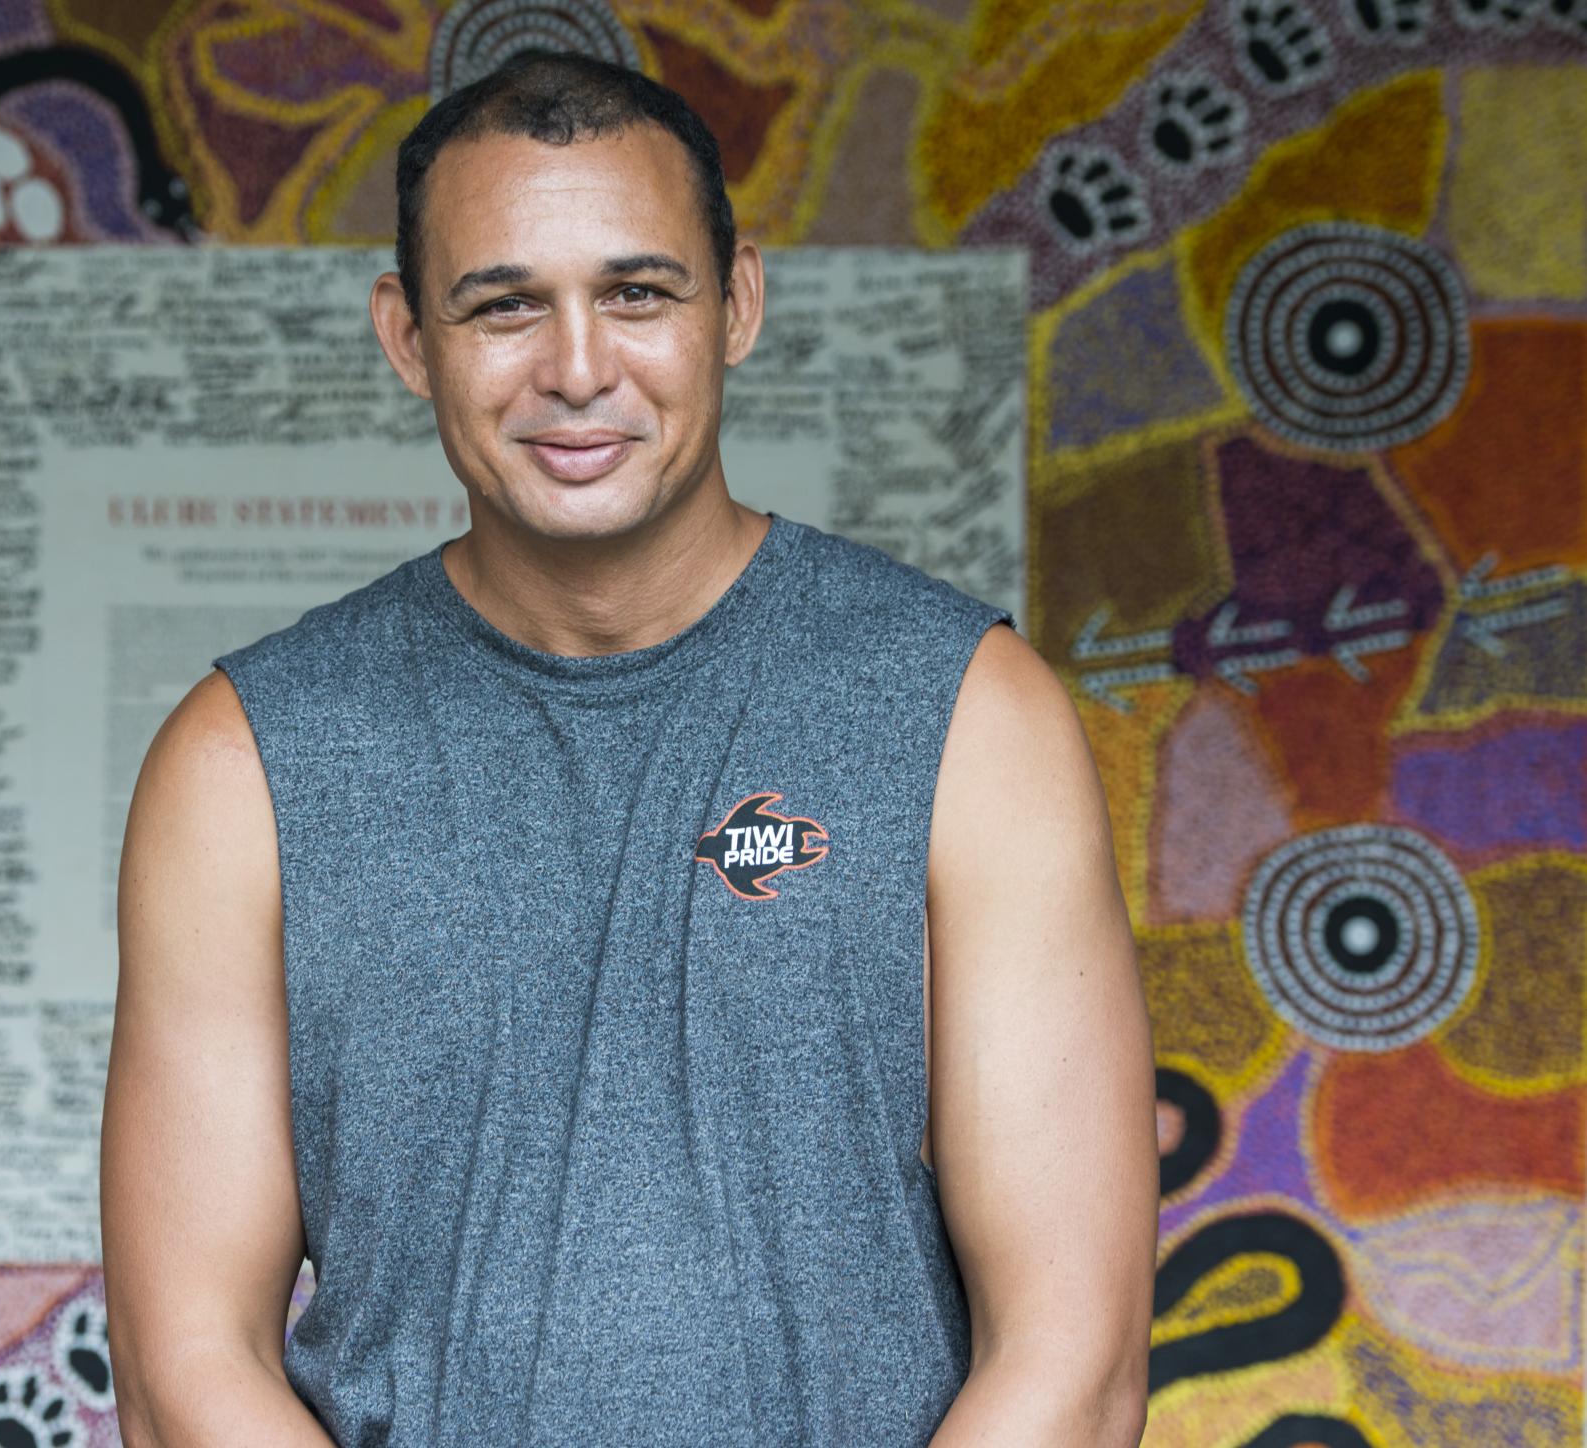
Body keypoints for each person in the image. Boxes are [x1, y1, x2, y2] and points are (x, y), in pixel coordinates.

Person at [100, 51, 1156, 1448]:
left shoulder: (966, 715)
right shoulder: (242, 766)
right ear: (407, 336)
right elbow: (187, 1364)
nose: (578, 368)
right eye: (503, 307)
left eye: (637, 292)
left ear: (739, 303)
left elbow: (1069, 1360)